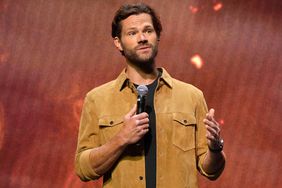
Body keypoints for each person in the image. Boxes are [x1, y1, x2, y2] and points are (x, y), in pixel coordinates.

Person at [75, 3, 225, 188]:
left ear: (157, 36)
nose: (142, 38)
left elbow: (210, 170)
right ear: (118, 42)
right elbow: (83, 168)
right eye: (132, 33)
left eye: (148, 30)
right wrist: (121, 138)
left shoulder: (191, 96)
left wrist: (215, 148)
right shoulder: (97, 99)